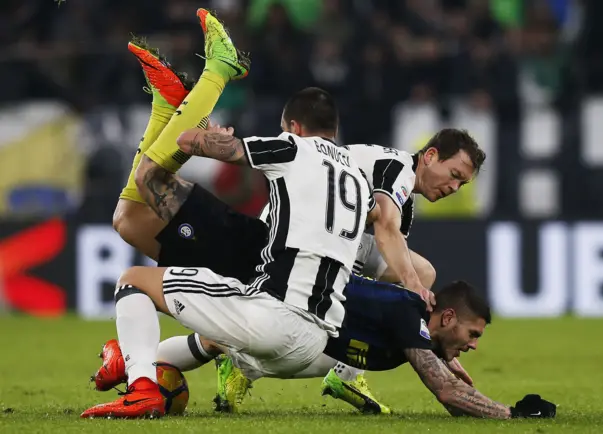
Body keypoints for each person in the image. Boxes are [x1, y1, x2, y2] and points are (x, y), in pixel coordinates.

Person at [104, 28, 486, 412]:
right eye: (455, 175)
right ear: (432, 155)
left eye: (462, 183)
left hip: (287, 267)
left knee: (133, 219)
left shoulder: (361, 175)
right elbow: (385, 228)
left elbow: (381, 232)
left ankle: (142, 364)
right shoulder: (395, 169)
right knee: (132, 218)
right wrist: (416, 291)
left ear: (295, 128)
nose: (455, 186)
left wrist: (424, 334)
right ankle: (198, 85)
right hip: (274, 250)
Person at [81, 9, 375, 419]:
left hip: (256, 261)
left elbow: (197, 143)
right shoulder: (358, 177)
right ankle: (135, 365)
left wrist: (206, 132)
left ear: (293, 126)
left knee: (143, 196)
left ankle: (216, 71)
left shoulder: (295, 148)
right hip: (306, 314)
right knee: (129, 220)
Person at [89, 277, 557, 419]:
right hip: (268, 304)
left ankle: (130, 363)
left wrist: (452, 372)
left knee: (222, 341)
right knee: (136, 280)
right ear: (448, 318)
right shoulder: (405, 313)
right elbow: (448, 395)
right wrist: (510, 413)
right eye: (472, 335)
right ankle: (136, 368)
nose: (473, 345)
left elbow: (452, 394)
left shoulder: (412, 325)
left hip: (292, 334)